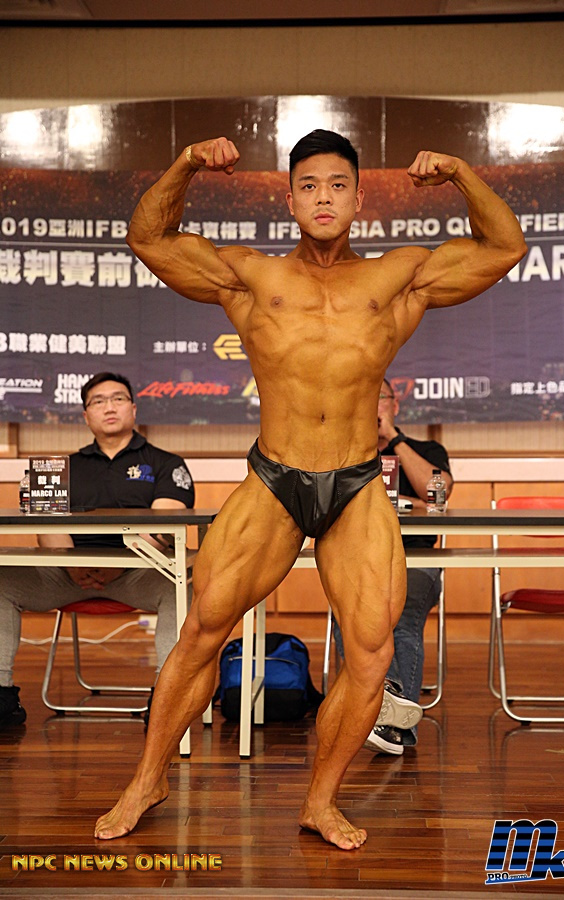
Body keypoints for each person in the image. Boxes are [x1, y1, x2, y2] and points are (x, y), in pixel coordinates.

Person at [94, 132, 526, 850]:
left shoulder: (398, 277)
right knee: (202, 630)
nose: (323, 197)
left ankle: (320, 801)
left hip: (356, 481)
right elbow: (149, 238)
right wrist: (187, 164)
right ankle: (148, 779)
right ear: (290, 199)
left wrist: (458, 172)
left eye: (337, 185)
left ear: (358, 198)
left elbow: (504, 247)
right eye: (309, 186)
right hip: (275, 475)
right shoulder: (251, 277)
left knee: (372, 653)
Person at [0, 372, 194, 732]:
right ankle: (1, 696)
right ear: (85, 415)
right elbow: (45, 526)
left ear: (134, 409)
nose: (109, 407)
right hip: (69, 573)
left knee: (180, 587)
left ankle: (168, 697)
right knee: (3, 582)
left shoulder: (167, 463)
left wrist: (117, 566)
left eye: (118, 399)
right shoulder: (61, 468)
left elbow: (166, 525)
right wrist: (74, 566)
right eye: (98, 401)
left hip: (139, 572)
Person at [332, 376, 453, 756]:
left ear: (395, 404)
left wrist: (394, 439)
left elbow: (439, 493)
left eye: (380, 397)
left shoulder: (426, 449)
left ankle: (391, 722)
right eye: (365, 397)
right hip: (360, 561)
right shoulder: (346, 453)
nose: (373, 405)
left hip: (417, 559)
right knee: (349, 611)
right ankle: (388, 713)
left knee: (400, 616)